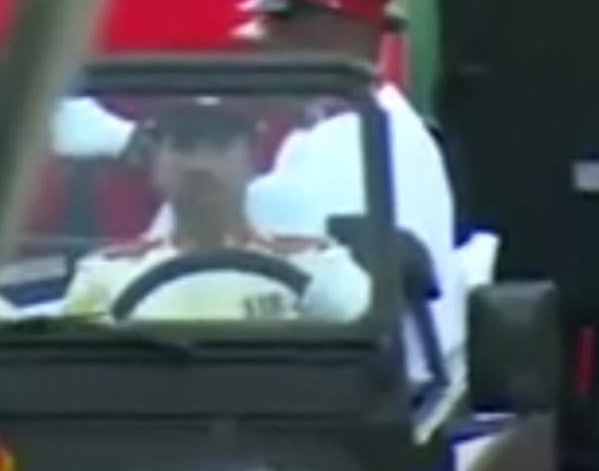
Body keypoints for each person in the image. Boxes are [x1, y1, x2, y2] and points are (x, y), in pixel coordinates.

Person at [231, 0, 468, 372]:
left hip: (370, 396)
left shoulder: (365, 142)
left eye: (283, 30)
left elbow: (308, 298)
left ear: (333, 36)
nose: (263, 51)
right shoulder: (344, 126)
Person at [61, 98, 371, 324]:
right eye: (184, 145)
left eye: (219, 145)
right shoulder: (107, 275)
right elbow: (73, 378)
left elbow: (374, 353)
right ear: (156, 162)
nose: (200, 165)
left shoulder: (314, 266)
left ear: (252, 158)